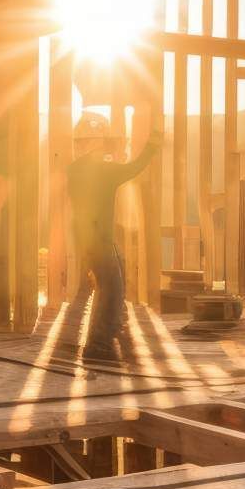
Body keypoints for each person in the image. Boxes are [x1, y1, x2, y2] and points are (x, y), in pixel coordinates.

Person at [66, 115, 160, 362]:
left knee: (114, 277)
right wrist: (151, 148)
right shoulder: (103, 169)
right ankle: (99, 343)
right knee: (112, 290)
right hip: (99, 239)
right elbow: (132, 168)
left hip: (88, 238)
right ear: (98, 142)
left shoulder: (75, 169)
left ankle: (113, 327)